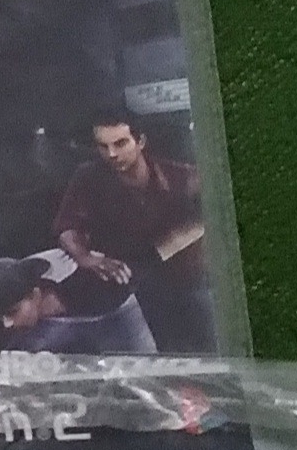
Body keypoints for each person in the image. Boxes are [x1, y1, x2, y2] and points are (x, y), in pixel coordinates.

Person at [52, 111, 210, 348]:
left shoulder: (182, 177)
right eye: (103, 146)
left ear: (141, 141)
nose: (112, 154)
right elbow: (68, 226)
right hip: (122, 287)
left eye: (120, 143)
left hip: (183, 282)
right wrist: (85, 257)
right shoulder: (89, 178)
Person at [0, 250, 157, 353]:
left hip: (115, 314)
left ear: (36, 295)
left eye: (12, 312)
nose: (6, 323)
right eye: (1, 315)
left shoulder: (86, 285)